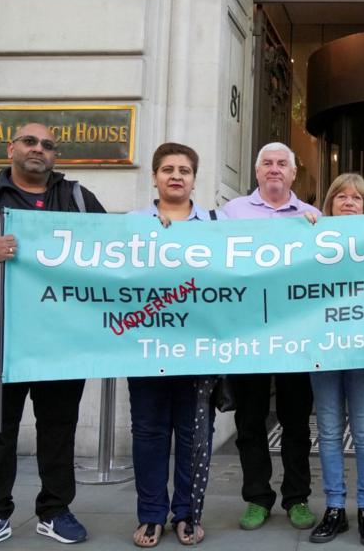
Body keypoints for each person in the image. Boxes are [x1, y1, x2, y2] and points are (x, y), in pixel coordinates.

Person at [0, 123, 106, 551]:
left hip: (62, 343)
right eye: (30, 142)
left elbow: (112, 252)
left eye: (48, 145)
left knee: (58, 429)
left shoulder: (78, 200)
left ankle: (55, 511)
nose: (39, 150)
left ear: (55, 156)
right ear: (11, 149)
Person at [221, 142, 320, 532]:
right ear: (256, 171)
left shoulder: (312, 217)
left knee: (296, 422)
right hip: (248, 335)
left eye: (283, 164)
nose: (275, 169)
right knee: (250, 421)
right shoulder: (231, 214)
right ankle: (257, 498)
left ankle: (297, 498)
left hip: (297, 336)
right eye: (268, 163)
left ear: (294, 174)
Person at [127, 143, 223, 547]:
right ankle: (151, 514)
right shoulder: (132, 224)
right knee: (148, 433)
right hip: (146, 347)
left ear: (194, 179)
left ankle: (186, 513)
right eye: (167, 169)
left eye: (184, 170)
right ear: (154, 177)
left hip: (199, 350)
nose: (176, 176)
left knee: (193, 434)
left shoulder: (215, 225)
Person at [304, 173, 364, 546]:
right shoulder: (310, 234)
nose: (349, 202)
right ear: (329, 202)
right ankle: (336, 508)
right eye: (341, 196)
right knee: (327, 430)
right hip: (322, 350)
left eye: (357, 197)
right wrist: (304, 230)